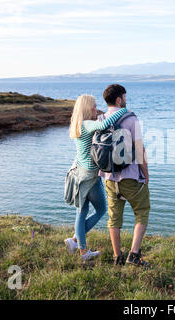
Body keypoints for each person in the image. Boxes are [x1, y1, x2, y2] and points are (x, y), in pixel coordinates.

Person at [64, 94, 127, 260]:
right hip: (90, 175)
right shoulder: (87, 124)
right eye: (93, 106)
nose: (96, 109)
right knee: (101, 209)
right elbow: (105, 124)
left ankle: (76, 242)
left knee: (82, 211)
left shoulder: (77, 124)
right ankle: (82, 249)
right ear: (86, 108)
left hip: (78, 172)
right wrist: (123, 110)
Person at [98, 84, 151, 267]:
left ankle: (117, 257)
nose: (126, 100)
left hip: (109, 178)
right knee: (142, 211)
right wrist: (145, 173)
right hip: (130, 177)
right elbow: (139, 149)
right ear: (119, 99)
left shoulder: (101, 119)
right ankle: (134, 255)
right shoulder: (130, 118)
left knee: (114, 218)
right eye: (125, 97)